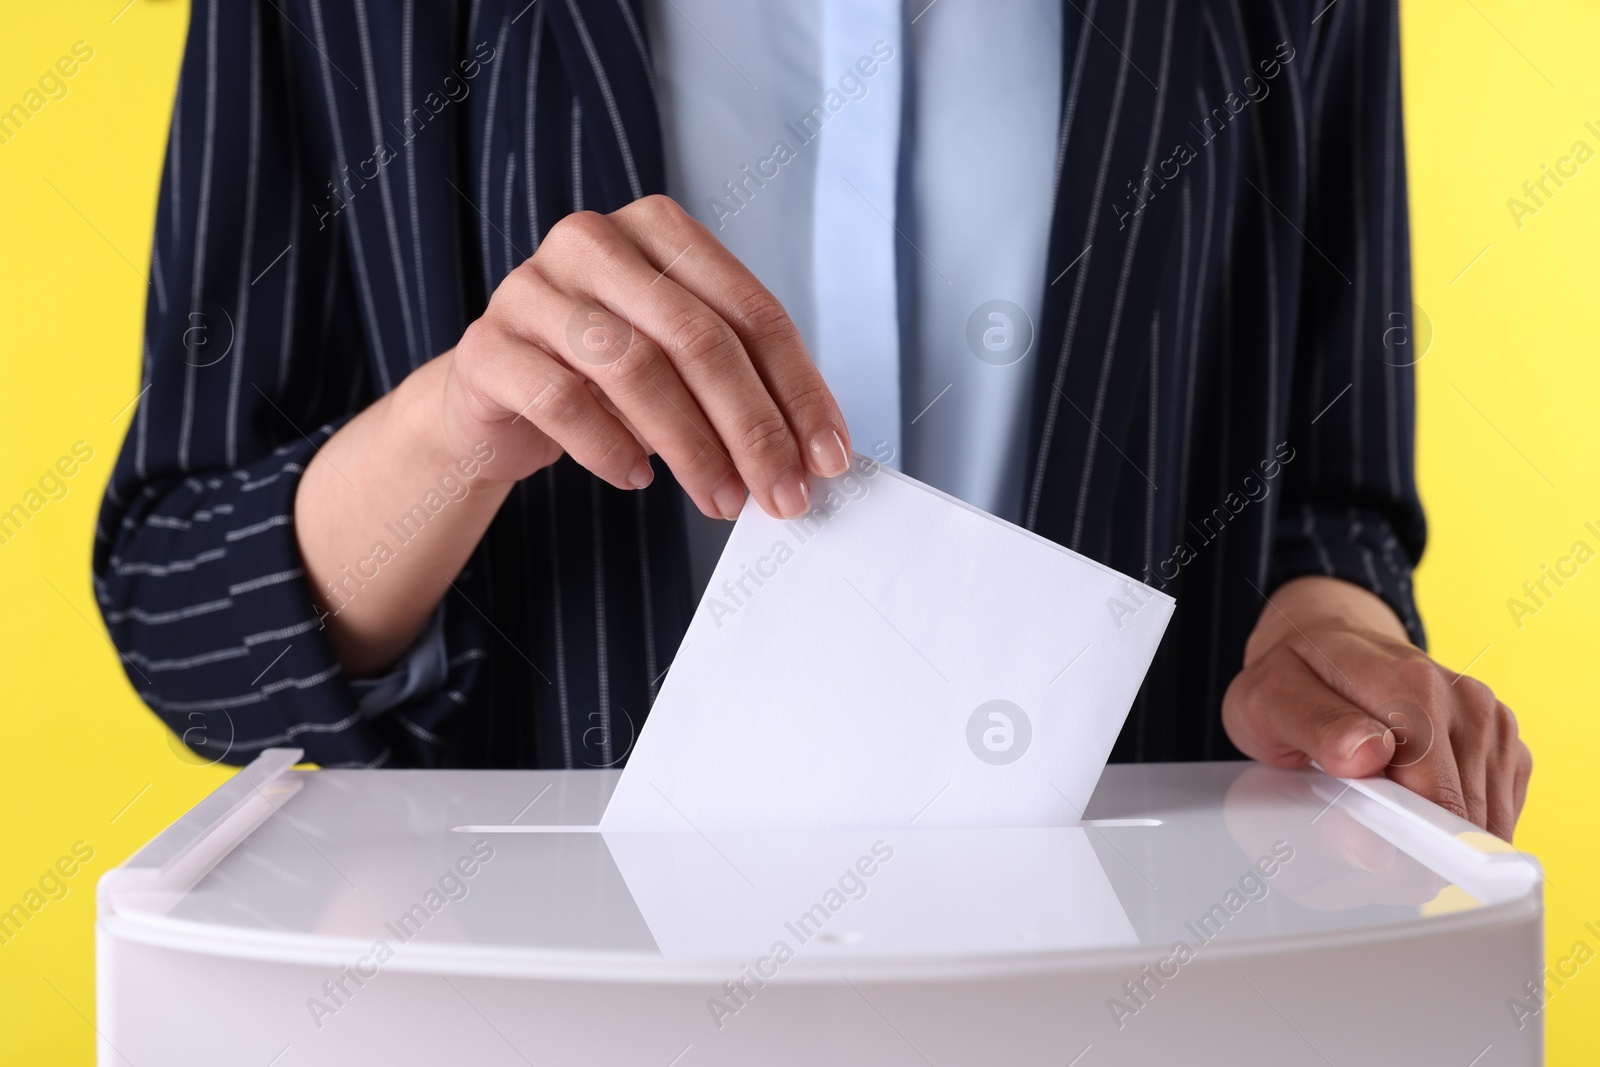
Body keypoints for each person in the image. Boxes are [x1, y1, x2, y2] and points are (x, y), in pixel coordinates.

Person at [95, 0, 1530, 840]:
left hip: (1114, 991)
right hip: (544, 1012)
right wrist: (458, 431)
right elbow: (185, 622)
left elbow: (1329, 495)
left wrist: (1333, 644)